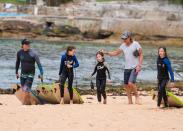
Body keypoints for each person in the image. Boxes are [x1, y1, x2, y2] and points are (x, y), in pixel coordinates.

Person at [102, 31, 143, 104]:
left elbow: (141, 54)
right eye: (123, 39)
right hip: (127, 67)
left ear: (129, 38)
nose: (124, 40)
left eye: (125, 38)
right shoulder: (123, 45)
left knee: (131, 83)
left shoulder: (136, 44)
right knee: (126, 85)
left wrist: (139, 65)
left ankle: (137, 97)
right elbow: (115, 53)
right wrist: (106, 53)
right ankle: (130, 101)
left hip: (135, 67)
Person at [15, 39, 43, 104]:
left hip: (31, 73)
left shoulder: (33, 53)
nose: (28, 45)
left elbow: (39, 64)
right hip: (23, 73)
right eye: (26, 44)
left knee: (26, 88)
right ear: (23, 45)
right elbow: (17, 63)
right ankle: (31, 101)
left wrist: (41, 73)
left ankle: (24, 103)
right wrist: (16, 72)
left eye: (29, 44)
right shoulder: (19, 53)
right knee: (24, 89)